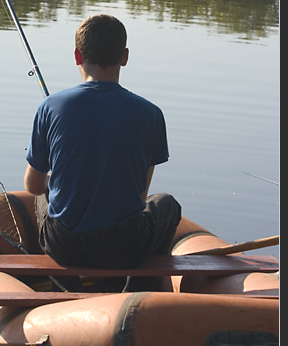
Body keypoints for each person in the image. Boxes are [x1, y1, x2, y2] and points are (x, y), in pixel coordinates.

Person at [24, 14, 181, 281]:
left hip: (64, 246)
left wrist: (55, 182)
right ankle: (148, 289)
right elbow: (140, 195)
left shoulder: (50, 107)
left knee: (44, 191)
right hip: (124, 248)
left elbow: (33, 186)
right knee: (167, 204)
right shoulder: (151, 114)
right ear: (125, 57)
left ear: (77, 56)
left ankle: (60, 285)